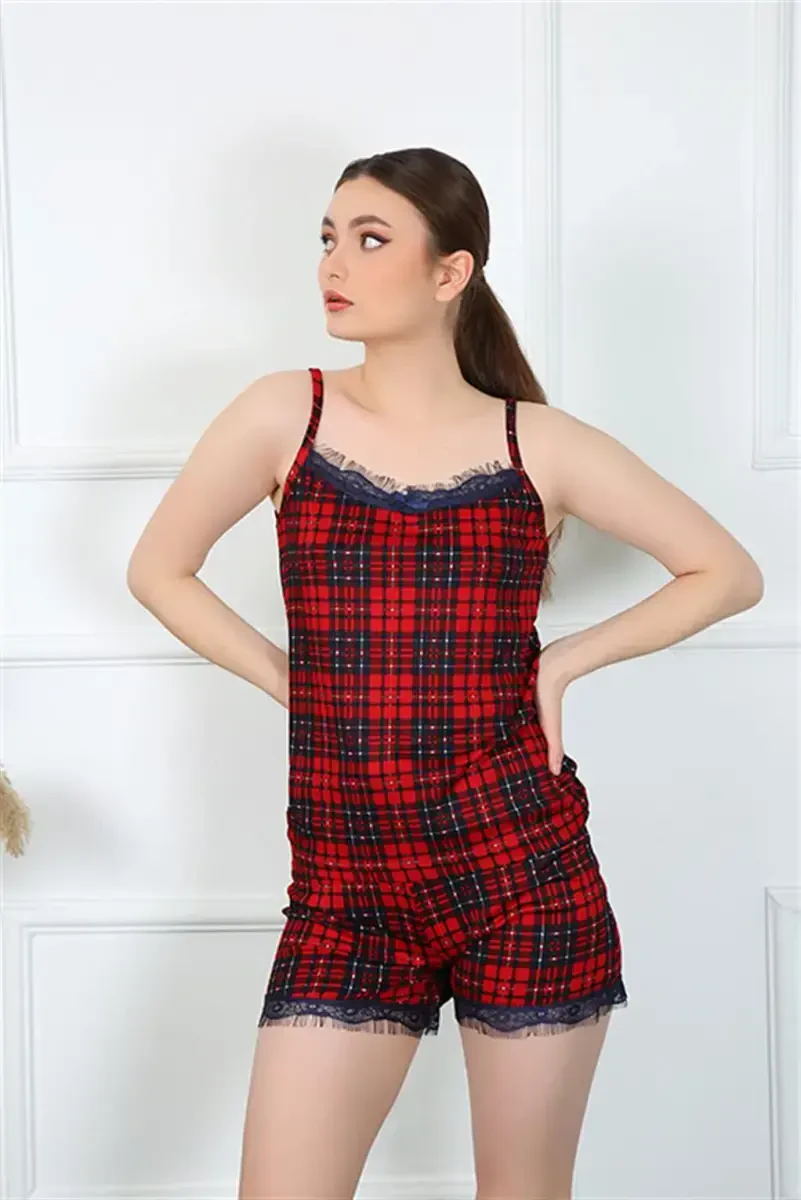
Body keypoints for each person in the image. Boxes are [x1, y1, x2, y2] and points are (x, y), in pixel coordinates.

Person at [126, 147, 765, 1200]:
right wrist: (292, 682)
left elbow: (727, 573)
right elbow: (159, 570)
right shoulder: (286, 414)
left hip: (522, 875)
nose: (334, 263)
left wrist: (566, 660)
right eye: (327, 238)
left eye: (369, 238)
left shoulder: (535, 443)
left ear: (449, 272)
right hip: (346, 894)